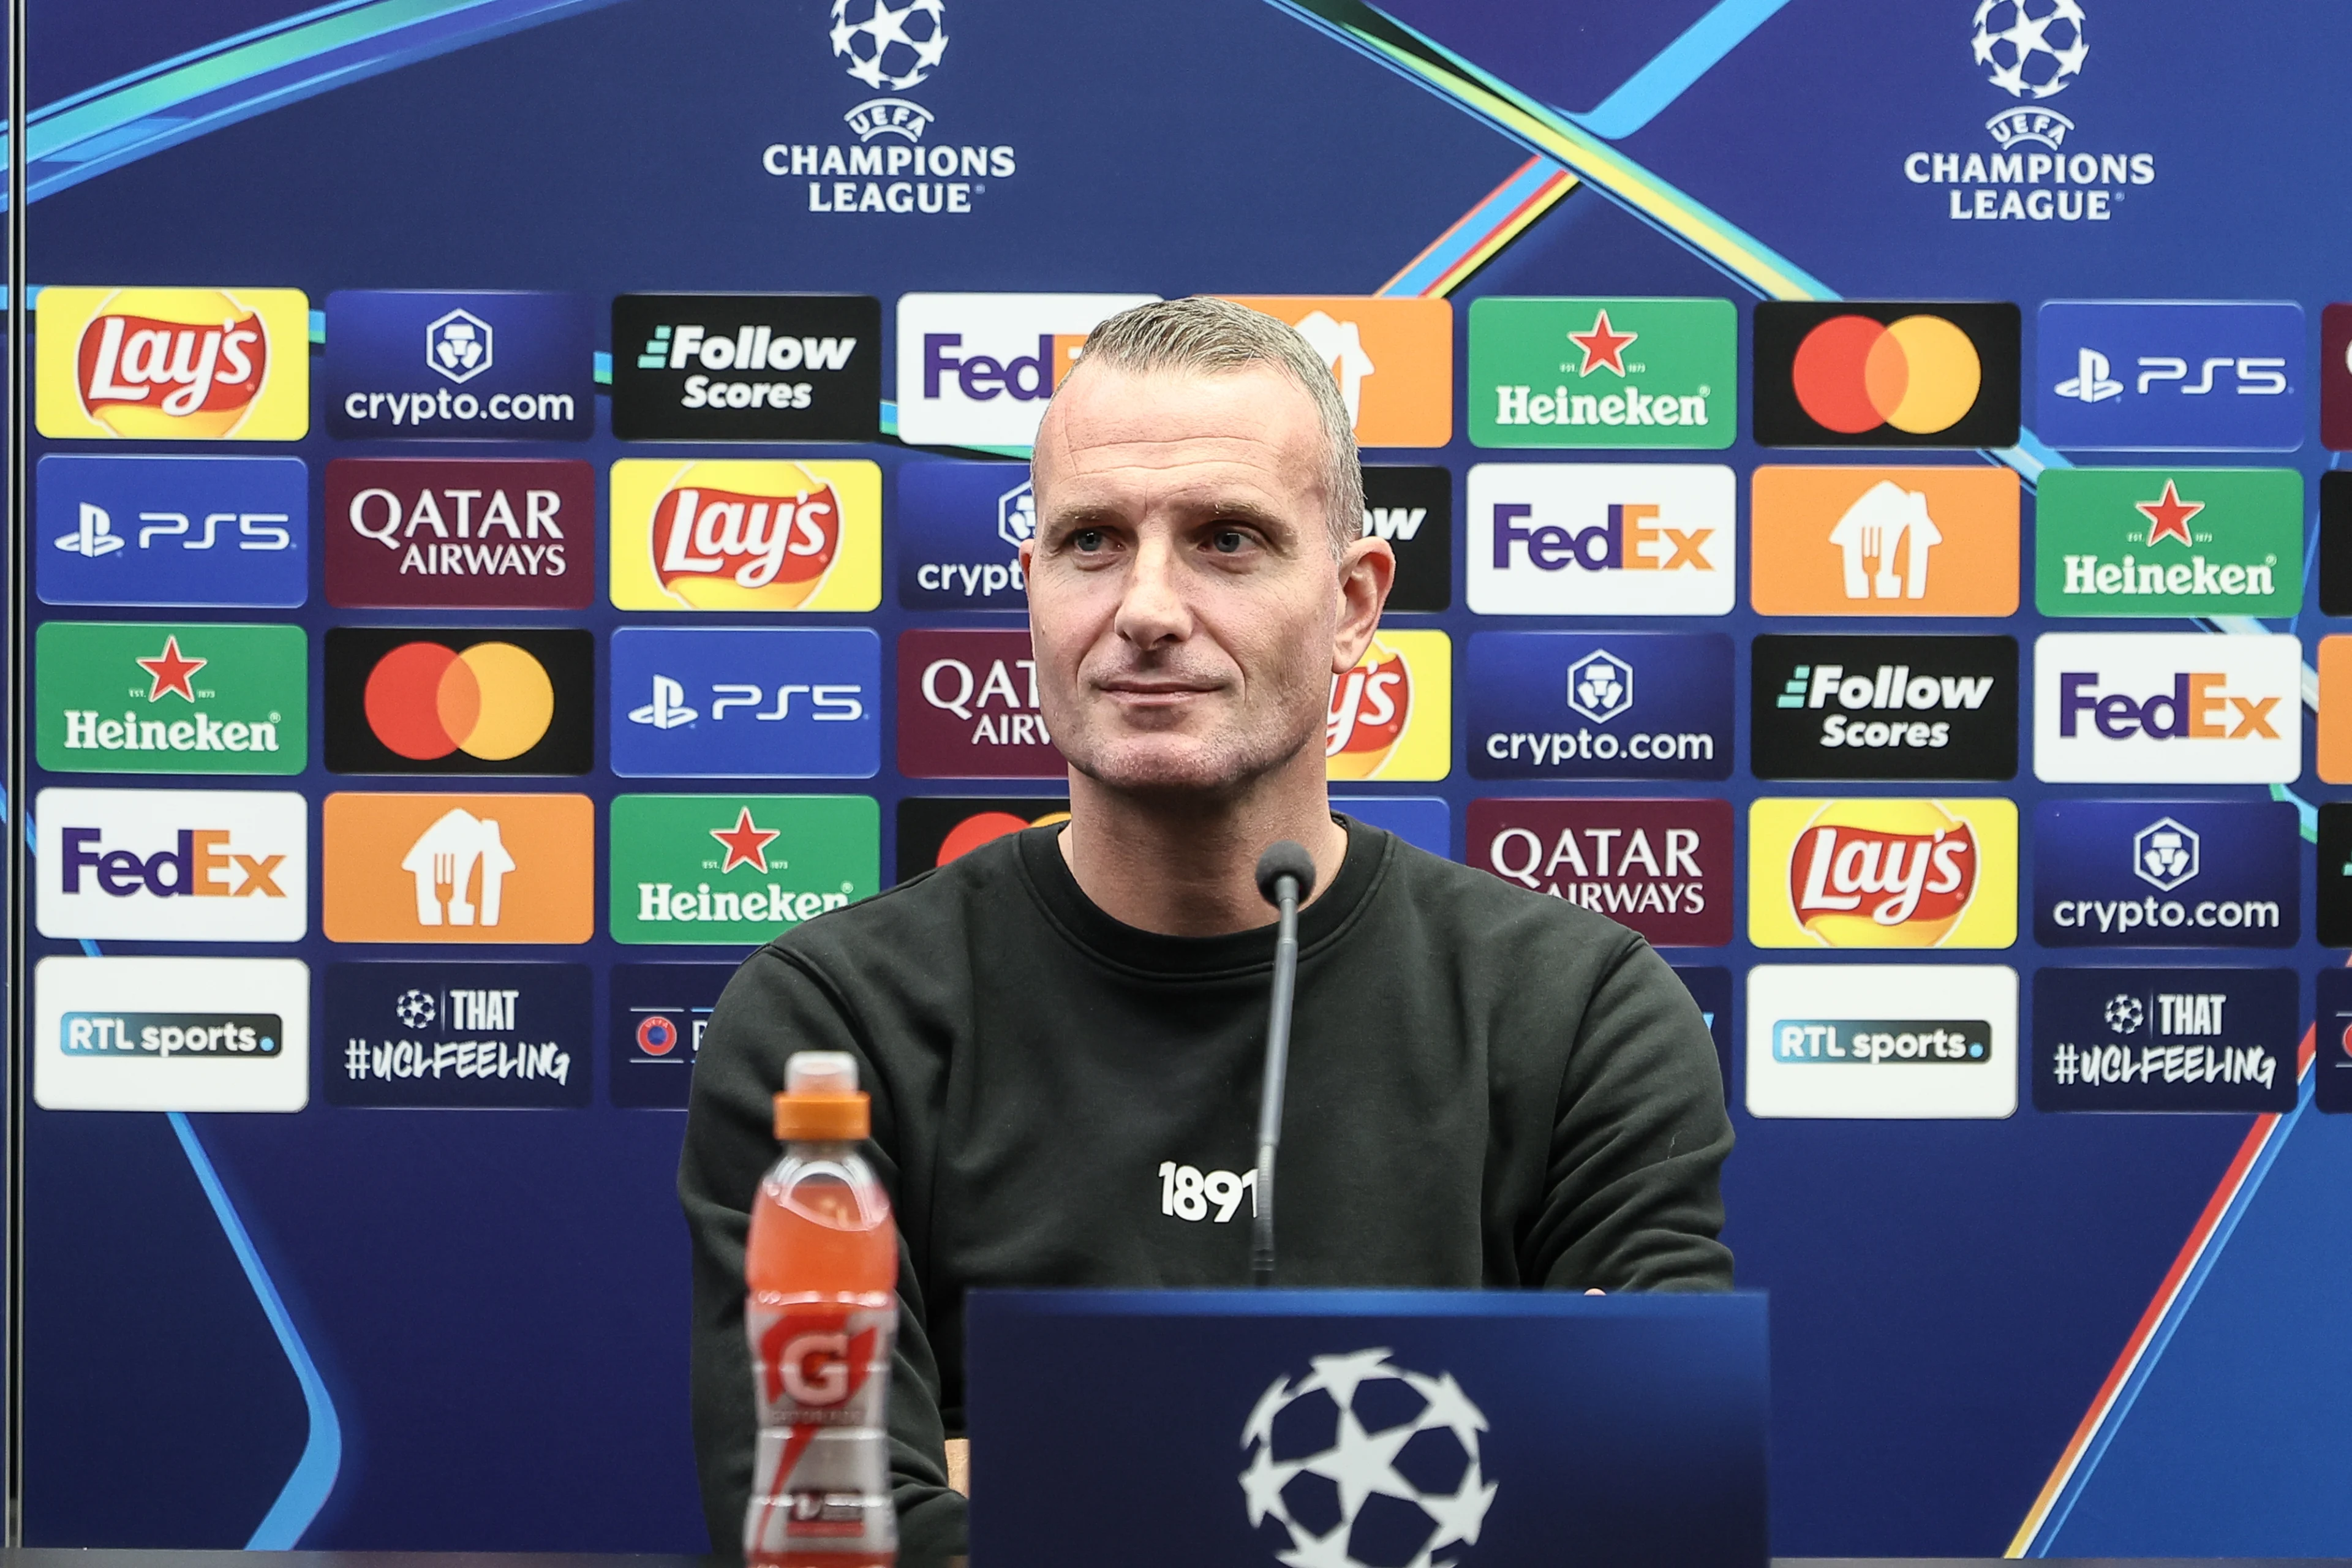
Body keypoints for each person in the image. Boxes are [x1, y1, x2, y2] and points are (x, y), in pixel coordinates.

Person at [679, 296, 1733, 1558]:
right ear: (1032, 590)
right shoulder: (828, 1024)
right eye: (1091, 542)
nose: (1148, 607)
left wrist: (1019, 1466)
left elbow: (1651, 1517)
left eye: (1227, 539)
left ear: (1353, 602)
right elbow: (837, 1534)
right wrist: (1419, 1475)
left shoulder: (1581, 1012)